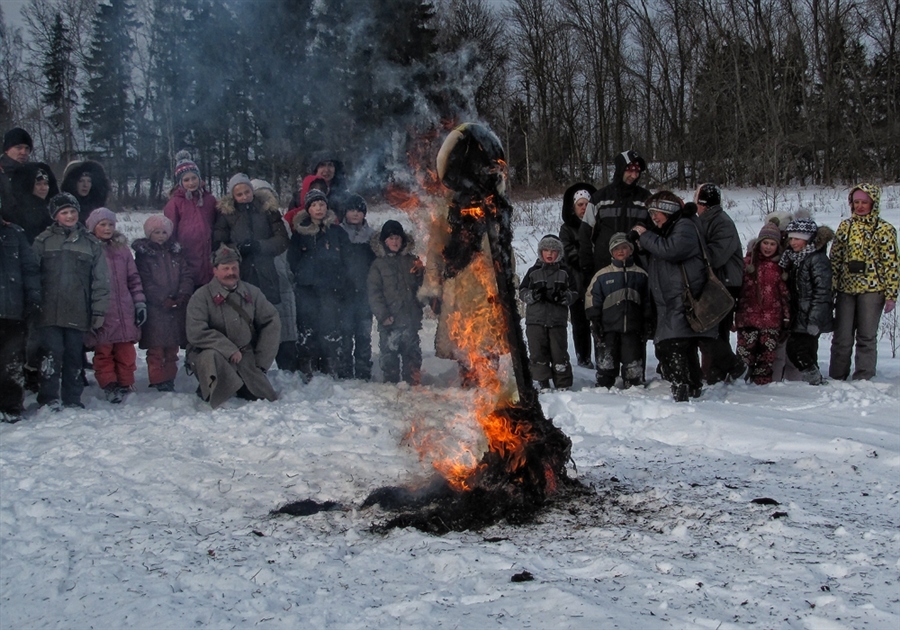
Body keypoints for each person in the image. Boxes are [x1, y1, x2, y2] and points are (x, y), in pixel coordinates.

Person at [632, 191, 715, 402]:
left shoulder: (685, 225)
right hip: (670, 296)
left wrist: (645, 235)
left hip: (681, 295)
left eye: (655, 214)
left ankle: (683, 385)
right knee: (678, 342)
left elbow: (672, 250)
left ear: (666, 211)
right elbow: (658, 255)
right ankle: (692, 384)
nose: (653, 219)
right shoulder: (673, 227)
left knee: (673, 343)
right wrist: (642, 245)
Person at [33, 193, 109, 410]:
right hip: (49, 311)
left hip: (78, 309)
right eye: (64, 212)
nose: (69, 216)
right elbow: (32, 274)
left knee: (74, 355)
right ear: (55, 216)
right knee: (51, 353)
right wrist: (34, 304)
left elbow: (100, 279)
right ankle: (48, 398)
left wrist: (98, 310)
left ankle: (72, 398)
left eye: (73, 212)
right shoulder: (43, 241)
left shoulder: (90, 243)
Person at [185, 244, 280, 408]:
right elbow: (196, 332)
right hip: (212, 356)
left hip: (245, 357)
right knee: (210, 357)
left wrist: (262, 361)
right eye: (225, 268)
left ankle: (242, 382)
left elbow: (271, 321)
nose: (231, 273)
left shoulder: (252, 292)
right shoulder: (200, 296)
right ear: (215, 270)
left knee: (262, 396)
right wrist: (228, 349)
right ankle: (214, 388)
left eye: (234, 268)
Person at [829, 184, 899, 381]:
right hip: (846, 289)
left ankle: (864, 377)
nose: (860, 206)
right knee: (842, 337)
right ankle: (837, 376)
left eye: (864, 202)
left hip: (873, 290)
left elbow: (891, 263)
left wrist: (891, 295)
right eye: (856, 202)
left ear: (873, 204)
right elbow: (835, 258)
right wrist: (832, 287)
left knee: (867, 337)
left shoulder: (885, 229)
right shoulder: (845, 226)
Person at [83, 208, 146, 403]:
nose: (107, 228)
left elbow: (133, 278)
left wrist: (139, 302)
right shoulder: (89, 250)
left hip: (124, 308)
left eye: (110, 224)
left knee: (126, 351)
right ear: (93, 227)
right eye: (102, 224)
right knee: (104, 351)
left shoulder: (122, 250)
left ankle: (126, 382)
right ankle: (109, 384)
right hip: (103, 309)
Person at [287, 189, 349, 379]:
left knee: (331, 326)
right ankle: (308, 365)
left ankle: (331, 365)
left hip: (331, 287)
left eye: (321, 204)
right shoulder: (300, 233)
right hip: (307, 288)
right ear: (308, 209)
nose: (319, 208)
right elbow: (293, 259)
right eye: (314, 205)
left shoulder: (337, 231)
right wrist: (302, 275)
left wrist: (341, 279)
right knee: (308, 327)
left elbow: (347, 258)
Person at [132, 215, 194, 392]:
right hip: (156, 309)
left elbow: (186, 275)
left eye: (164, 232)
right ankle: (158, 378)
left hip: (176, 307)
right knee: (156, 348)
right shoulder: (144, 256)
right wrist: (161, 298)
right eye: (156, 232)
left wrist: (183, 294)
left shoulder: (176, 253)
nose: (160, 236)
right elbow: (145, 281)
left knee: (172, 348)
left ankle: (169, 377)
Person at [694, 183, 746, 384]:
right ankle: (715, 372)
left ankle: (733, 367)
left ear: (702, 203)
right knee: (712, 331)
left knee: (714, 331)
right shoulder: (708, 221)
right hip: (718, 283)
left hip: (724, 284)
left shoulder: (721, 222)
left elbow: (716, 256)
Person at [584, 232, 650, 389]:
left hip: (633, 328)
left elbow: (648, 300)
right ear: (611, 252)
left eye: (624, 247)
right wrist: (595, 319)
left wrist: (648, 320)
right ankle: (604, 383)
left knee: (633, 360)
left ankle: (634, 383)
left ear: (631, 250)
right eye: (616, 248)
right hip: (608, 328)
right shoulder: (602, 275)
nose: (620, 251)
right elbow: (592, 297)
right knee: (607, 360)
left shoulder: (641, 275)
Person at [213, 173, 289, 307]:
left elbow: (282, 240)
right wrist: (238, 249)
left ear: (252, 190)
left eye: (247, 192)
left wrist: (260, 246)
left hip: (267, 273)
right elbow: (219, 243)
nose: (244, 197)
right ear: (233, 196)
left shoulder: (268, 209)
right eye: (239, 194)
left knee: (267, 318)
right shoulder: (226, 215)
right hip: (240, 273)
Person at [250, 178, 300, 373]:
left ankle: (288, 369)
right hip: (260, 280)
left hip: (283, 278)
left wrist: (289, 273)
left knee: (286, 326)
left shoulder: (282, 223)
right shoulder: (249, 223)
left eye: (268, 197)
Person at [578, 150, 651, 280]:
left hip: (636, 267)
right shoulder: (599, 199)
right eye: (629, 170)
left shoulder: (645, 199)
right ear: (620, 170)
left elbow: (655, 231)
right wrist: (587, 266)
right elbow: (585, 234)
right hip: (604, 267)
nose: (634, 176)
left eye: (637, 171)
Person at [779, 213, 834, 385]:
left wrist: (814, 320)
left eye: (798, 239)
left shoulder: (817, 259)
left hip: (810, 315)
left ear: (808, 240)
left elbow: (822, 292)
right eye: (791, 238)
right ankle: (814, 381)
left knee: (797, 349)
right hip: (800, 314)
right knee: (805, 350)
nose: (793, 242)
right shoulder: (795, 258)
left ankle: (814, 379)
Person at [734, 221, 791, 385]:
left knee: (766, 357)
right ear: (759, 243)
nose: (768, 247)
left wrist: (786, 318)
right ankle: (740, 384)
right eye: (765, 243)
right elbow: (737, 291)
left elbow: (784, 295)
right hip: (748, 318)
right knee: (745, 355)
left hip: (772, 321)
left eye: (772, 244)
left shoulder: (780, 266)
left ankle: (762, 388)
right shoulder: (747, 264)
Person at [368, 220, 425, 385]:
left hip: (410, 318)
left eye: (397, 238)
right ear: (384, 241)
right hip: (389, 321)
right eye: (391, 238)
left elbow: (422, 285)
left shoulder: (412, 262)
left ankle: (413, 382)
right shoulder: (378, 265)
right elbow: (374, 293)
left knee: (412, 354)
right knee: (389, 355)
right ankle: (391, 385)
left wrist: (420, 304)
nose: (395, 242)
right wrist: (383, 315)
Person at [518, 234, 578, 390]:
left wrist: (564, 297)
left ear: (559, 253)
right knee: (538, 352)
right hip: (535, 321)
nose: (550, 254)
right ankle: (542, 381)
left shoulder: (565, 272)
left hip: (557, 321)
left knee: (559, 353)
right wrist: (533, 295)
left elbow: (575, 292)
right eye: (546, 250)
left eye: (554, 250)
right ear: (541, 252)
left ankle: (563, 384)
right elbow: (522, 291)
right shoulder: (533, 272)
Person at [0, 216, 40, 422]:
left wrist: (33, 297)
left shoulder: (15, 233)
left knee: (12, 360)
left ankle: (11, 405)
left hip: (12, 308)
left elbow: (30, 269)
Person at [163, 151, 217, 289]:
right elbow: (170, 230)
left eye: (194, 178)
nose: (191, 183)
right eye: (186, 180)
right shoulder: (175, 203)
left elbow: (217, 224)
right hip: (187, 257)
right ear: (180, 182)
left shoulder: (209, 200)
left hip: (209, 256)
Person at [560, 182, 596, 369]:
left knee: (598, 323)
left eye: (586, 204)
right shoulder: (567, 229)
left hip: (597, 280)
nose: (583, 208)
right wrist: (587, 258)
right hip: (577, 281)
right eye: (580, 205)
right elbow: (569, 253)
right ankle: (583, 358)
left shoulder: (598, 225)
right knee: (580, 324)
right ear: (573, 208)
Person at [339, 193, 376, 380]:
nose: (355, 214)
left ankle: (363, 369)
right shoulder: (338, 234)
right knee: (345, 332)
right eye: (351, 210)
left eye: (359, 211)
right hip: (344, 292)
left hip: (364, 292)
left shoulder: (371, 238)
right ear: (345, 212)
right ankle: (344, 369)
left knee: (363, 334)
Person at [8, 161, 58, 244]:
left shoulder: (53, 209)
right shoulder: (19, 213)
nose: (43, 188)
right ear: (29, 185)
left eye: (46, 184)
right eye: (38, 184)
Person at [60, 159, 110, 225]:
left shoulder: (99, 211)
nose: (85, 185)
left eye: (89, 181)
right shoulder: (60, 210)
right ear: (72, 183)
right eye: (81, 181)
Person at [0, 127, 33, 222]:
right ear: (7, 149)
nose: (23, 152)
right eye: (18, 147)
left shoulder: (33, 173)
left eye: (27, 148)